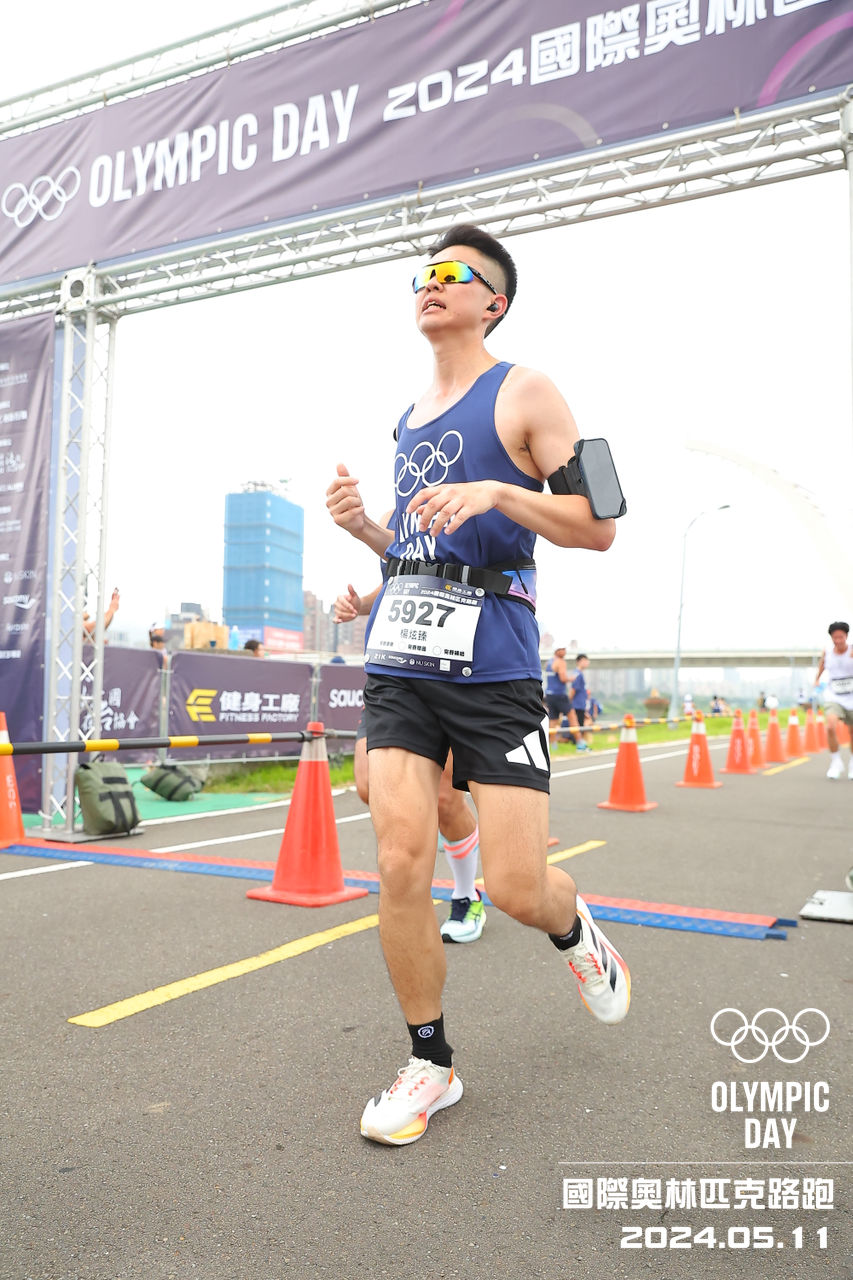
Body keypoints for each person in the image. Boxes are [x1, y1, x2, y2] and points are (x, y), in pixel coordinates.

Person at [325, 222, 629, 1147]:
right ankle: (430, 1063)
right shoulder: (407, 419)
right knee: (398, 860)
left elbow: (598, 525)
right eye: (422, 274)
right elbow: (422, 548)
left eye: (452, 274)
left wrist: (499, 492)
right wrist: (368, 537)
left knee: (517, 888)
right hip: (401, 663)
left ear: (492, 302)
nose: (431, 283)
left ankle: (571, 925)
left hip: (494, 664)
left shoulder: (526, 389)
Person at [335, 581, 486, 944]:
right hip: (394, 673)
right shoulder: (395, 537)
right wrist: (360, 605)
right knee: (369, 786)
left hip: (453, 671)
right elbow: (398, 575)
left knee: (445, 799)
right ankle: (418, 868)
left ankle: (466, 894)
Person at [814, 621, 853, 780]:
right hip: (834, 696)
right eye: (835, 638)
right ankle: (836, 762)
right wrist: (817, 679)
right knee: (830, 726)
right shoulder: (827, 652)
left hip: (851, 697)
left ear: (846, 636)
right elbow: (822, 665)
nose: (838, 640)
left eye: (841, 637)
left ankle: (852, 763)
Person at [544, 643, 570, 745]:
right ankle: (580, 742)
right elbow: (563, 678)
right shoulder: (560, 662)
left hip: (549, 694)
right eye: (563, 649)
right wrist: (571, 679)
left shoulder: (548, 662)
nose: (565, 652)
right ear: (558, 650)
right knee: (572, 716)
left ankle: (552, 742)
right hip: (559, 694)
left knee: (553, 719)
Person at [569, 653, 592, 750]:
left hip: (580, 704)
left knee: (580, 725)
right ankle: (578, 745)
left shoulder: (579, 673)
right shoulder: (577, 674)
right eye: (585, 661)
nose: (587, 663)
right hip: (577, 705)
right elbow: (573, 689)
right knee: (578, 725)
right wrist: (569, 702)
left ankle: (579, 744)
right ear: (580, 661)